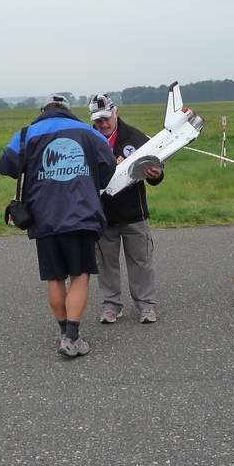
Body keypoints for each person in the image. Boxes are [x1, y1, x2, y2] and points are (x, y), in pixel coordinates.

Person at [0, 94, 116, 358]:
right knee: (80, 275)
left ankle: (64, 333)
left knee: (55, 277)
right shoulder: (88, 132)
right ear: (67, 110)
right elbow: (108, 167)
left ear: (44, 110)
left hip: (44, 218)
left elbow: (3, 165)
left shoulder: (27, 134)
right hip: (81, 216)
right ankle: (72, 337)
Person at [87, 93, 164, 325]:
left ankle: (146, 305)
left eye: (106, 118)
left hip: (134, 213)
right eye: (98, 120)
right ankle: (111, 306)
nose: (103, 124)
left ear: (116, 112)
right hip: (103, 215)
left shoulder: (135, 136)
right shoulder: (87, 140)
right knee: (106, 263)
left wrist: (156, 174)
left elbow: (156, 171)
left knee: (141, 261)